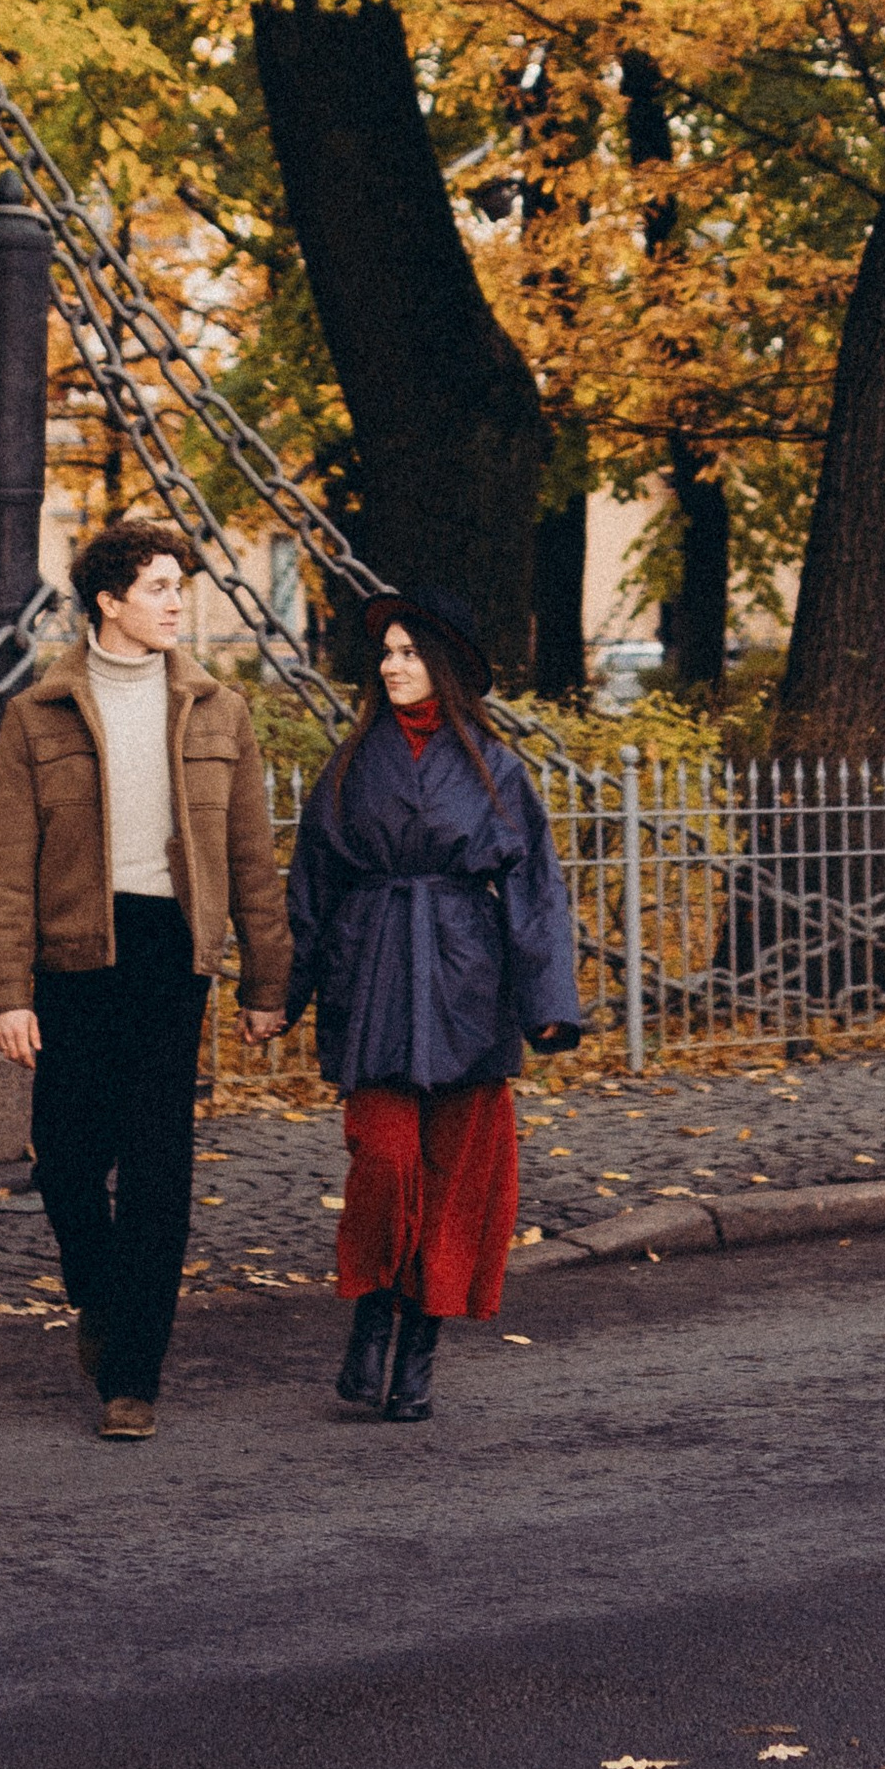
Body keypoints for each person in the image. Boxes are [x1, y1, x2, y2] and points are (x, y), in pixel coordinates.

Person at [0, 516, 289, 1441]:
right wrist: (9, 993)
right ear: (108, 602)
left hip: (170, 955)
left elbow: (250, 860)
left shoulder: (217, 710)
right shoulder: (38, 715)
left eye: (177, 586)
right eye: (157, 588)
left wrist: (267, 981)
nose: (174, 604)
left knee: (159, 1169)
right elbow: (3, 867)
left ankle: (132, 1379)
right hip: (74, 956)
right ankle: (102, 1295)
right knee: (67, 1158)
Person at [285, 580, 583, 1424]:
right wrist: (282, 994)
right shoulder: (350, 764)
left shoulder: (498, 769)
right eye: (386, 654)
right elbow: (310, 887)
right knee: (385, 1158)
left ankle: (418, 1348)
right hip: (372, 969)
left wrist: (546, 1000)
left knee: (456, 1178)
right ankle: (372, 1311)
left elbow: (535, 891)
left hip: (466, 979)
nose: (393, 667)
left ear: (445, 665)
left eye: (410, 653)